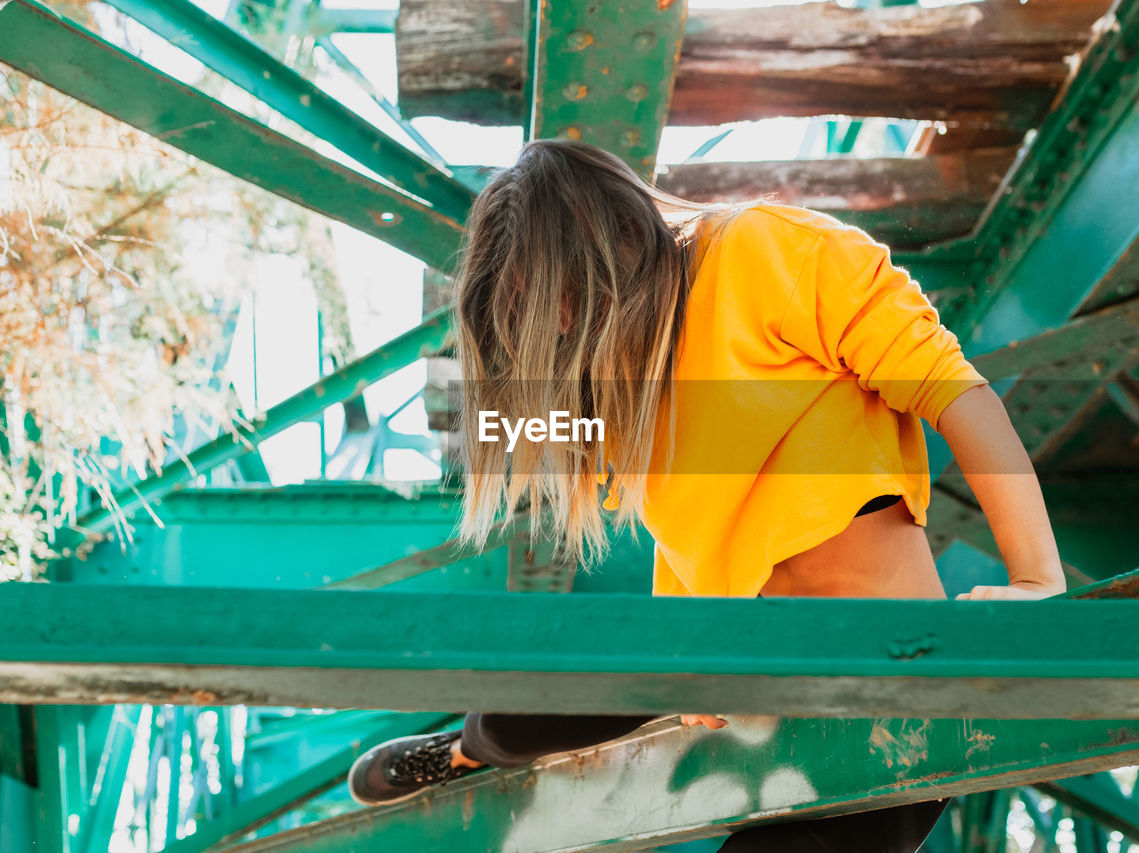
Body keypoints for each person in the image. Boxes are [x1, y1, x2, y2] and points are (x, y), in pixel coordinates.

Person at [348, 138, 1066, 851]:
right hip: (726, 663)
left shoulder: (766, 252)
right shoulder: (615, 391)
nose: (565, 331)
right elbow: (524, 421)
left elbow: (961, 396)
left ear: (621, 239)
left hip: (885, 686)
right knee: (521, 705)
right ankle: (463, 751)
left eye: (562, 305)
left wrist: (1037, 579)